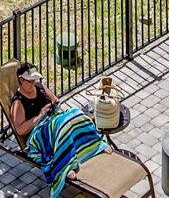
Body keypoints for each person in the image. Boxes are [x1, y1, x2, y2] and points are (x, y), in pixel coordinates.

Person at [6, 67, 109, 198]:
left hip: (53, 119)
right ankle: (64, 166)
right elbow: (20, 129)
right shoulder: (18, 102)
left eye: (34, 80)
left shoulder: (39, 87)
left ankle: (95, 145)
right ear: (21, 80)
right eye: (29, 81)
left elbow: (55, 99)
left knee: (77, 114)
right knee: (62, 127)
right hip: (38, 133)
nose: (33, 83)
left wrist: (54, 104)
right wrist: (40, 115)